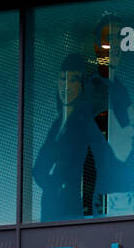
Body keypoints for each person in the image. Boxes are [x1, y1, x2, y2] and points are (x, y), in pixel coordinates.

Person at [33, 53, 109, 222]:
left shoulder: (87, 122)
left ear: (83, 85)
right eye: (62, 79)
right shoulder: (58, 123)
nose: (66, 86)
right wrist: (53, 184)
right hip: (53, 205)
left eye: (73, 80)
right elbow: (39, 166)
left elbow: (99, 164)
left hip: (75, 204)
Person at [92, 16, 134, 215]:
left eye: (119, 39)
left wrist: (131, 133)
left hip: (125, 186)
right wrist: (130, 133)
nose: (115, 45)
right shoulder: (97, 86)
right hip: (110, 190)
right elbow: (117, 135)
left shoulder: (118, 87)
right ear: (98, 46)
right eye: (110, 39)